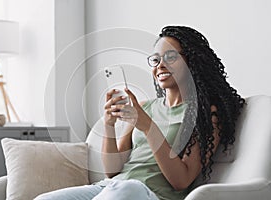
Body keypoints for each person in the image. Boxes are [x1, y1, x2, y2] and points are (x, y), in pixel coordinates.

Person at [35, 26, 245, 200]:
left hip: (148, 194)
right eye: (156, 59)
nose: (160, 65)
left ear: (192, 61)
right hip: (111, 187)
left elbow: (181, 180)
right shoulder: (145, 107)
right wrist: (109, 124)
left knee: (126, 190)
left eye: (170, 57)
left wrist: (147, 126)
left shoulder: (206, 113)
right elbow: (113, 171)